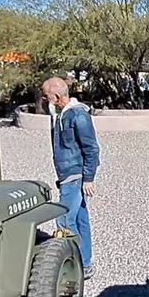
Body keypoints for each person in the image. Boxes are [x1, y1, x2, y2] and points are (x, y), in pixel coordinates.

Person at [42, 77, 100, 280]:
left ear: (56, 96)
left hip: (74, 176)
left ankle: (71, 267)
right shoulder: (61, 114)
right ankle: (84, 263)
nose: (44, 98)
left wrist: (89, 178)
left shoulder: (78, 115)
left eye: (47, 95)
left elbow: (91, 148)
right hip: (68, 174)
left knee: (65, 220)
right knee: (80, 219)